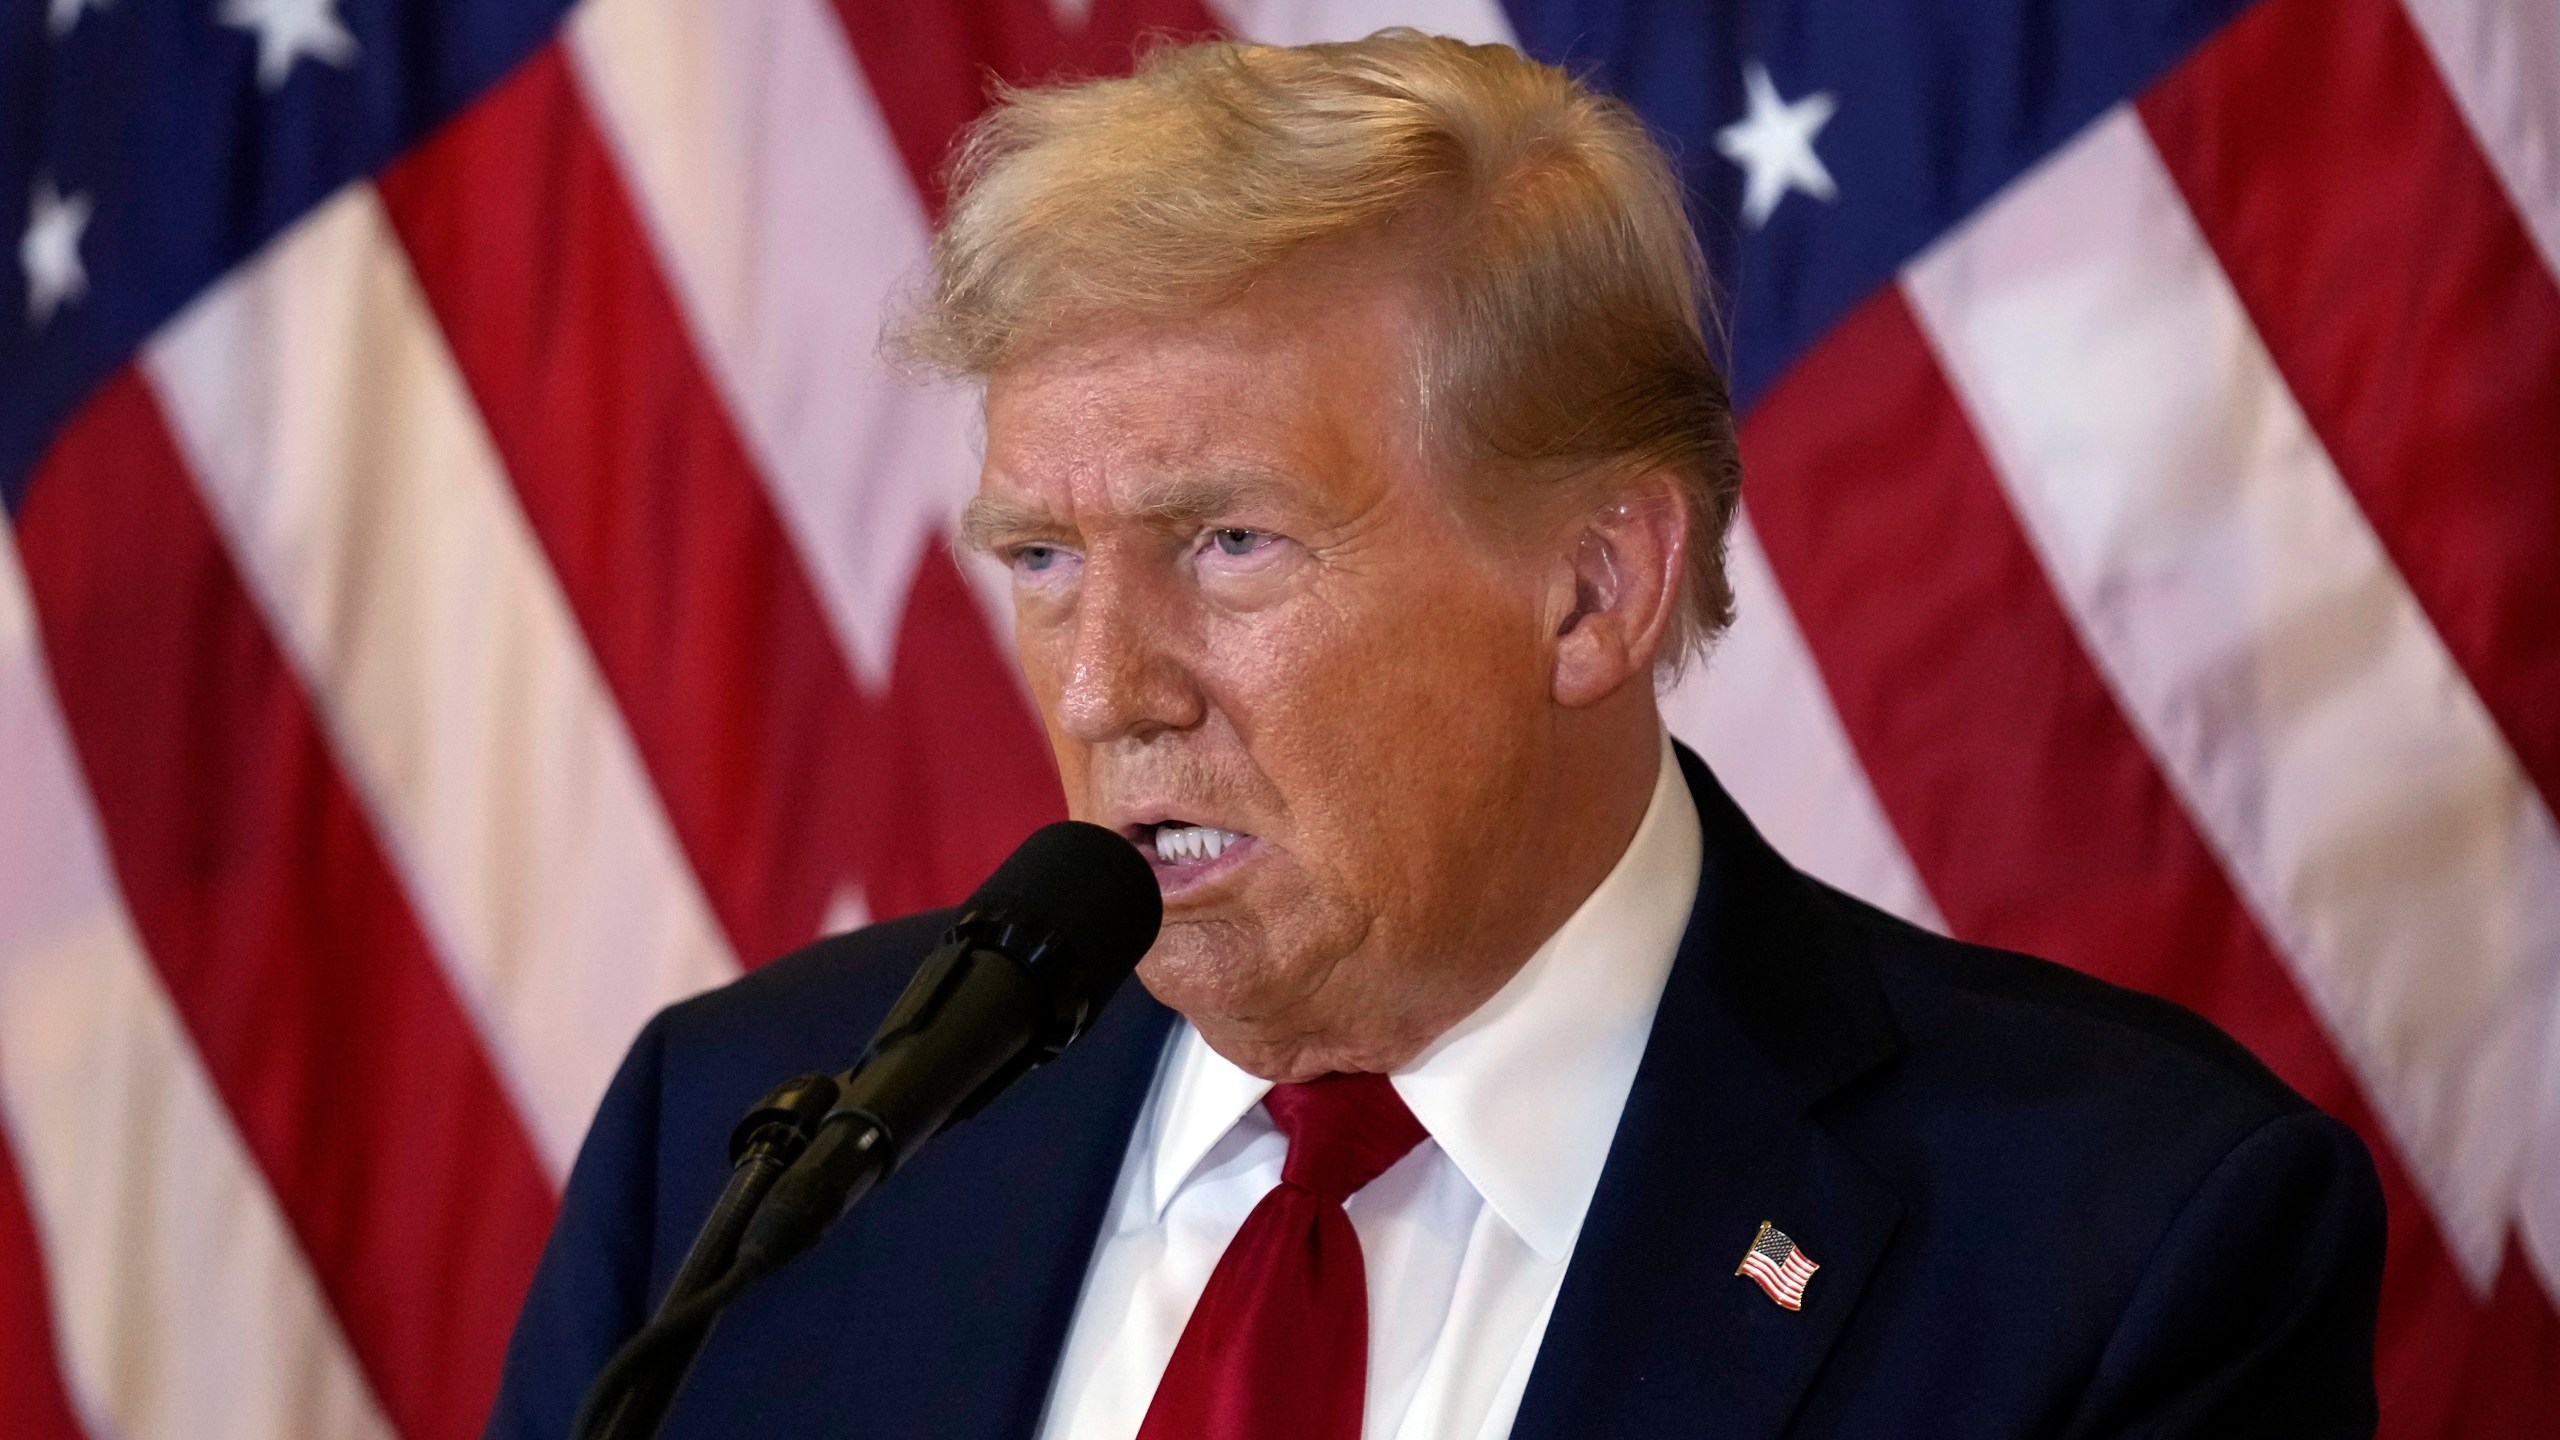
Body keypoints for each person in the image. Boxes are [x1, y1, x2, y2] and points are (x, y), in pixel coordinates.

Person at [486, 30, 2384, 1440]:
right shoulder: (742, 1158)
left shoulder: (2121, 1247)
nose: (1103, 685)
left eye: (1228, 543)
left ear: (1593, 591)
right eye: (1043, 556)